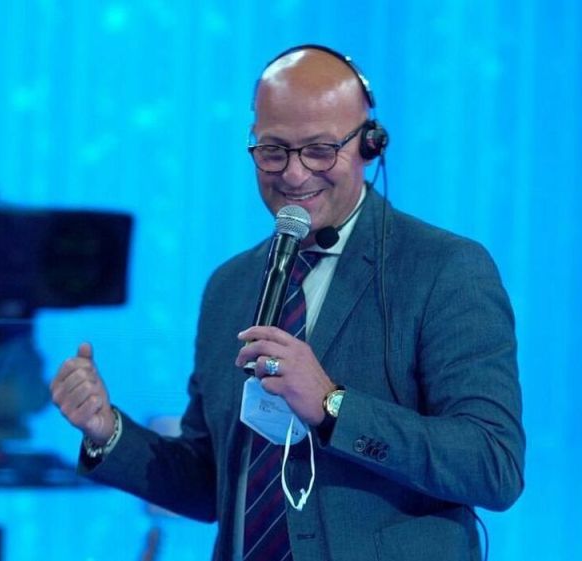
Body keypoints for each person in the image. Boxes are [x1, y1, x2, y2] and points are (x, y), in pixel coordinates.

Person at [50, 44, 524, 561]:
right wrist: (107, 431)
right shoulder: (229, 286)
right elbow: (211, 483)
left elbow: (493, 466)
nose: (295, 175)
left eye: (320, 150)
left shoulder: (444, 269)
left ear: (369, 146)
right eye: (274, 151)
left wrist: (333, 406)